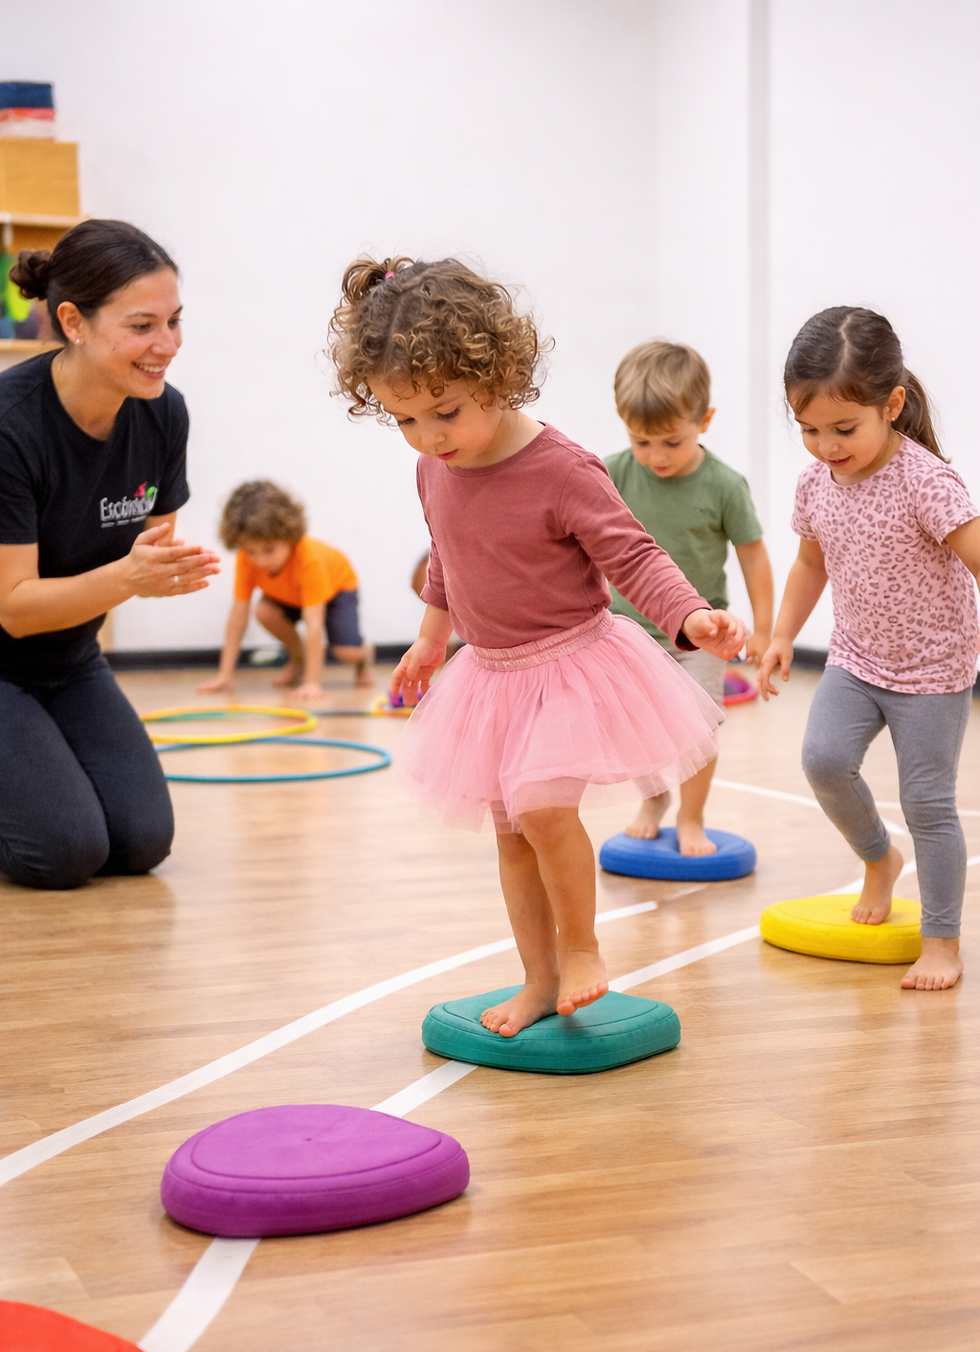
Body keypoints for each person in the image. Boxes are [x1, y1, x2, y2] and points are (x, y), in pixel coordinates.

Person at [330, 255, 745, 1036]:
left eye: (445, 411)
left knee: (542, 807)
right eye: (406, 419)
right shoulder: (435, 468)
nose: (427, 436)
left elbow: (634, 556)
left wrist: (691, 618)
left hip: (572, 665)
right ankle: (537, 977)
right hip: (490, 678)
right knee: (512, 833)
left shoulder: (563, 469)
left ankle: (584, 951)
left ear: (498, 375)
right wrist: (429, 640)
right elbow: (447, 556)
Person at [758, 306, 980, 991]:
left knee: (928, 803)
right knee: (823, 760)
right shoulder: (815, 483)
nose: (826, 446)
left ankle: (942, 940)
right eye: (809, 430)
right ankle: (879, 860)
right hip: (856, 659)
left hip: (934, 670)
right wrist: (781, 637)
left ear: (892, 404)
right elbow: (809, 566)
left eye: (843, 429)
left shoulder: (926, 483)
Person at [0, 219, 220, 890]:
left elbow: (148, 556)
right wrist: (131, 576)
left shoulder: (163, 414)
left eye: (175, 321)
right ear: (72, 321)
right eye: (143, 326)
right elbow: (14, 610)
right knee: (64, 853)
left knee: (141, 841)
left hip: (72, 661)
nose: (168, 346)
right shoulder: (12, 428)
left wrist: (151, 575)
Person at [605, 339, 773, 854]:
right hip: (627, 635)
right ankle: (652, 798)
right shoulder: (610, 474)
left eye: (671, 443)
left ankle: (692, 816)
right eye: (641, 441)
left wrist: (764, 629)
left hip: (699, 637)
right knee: (635, 732)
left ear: (705, 420)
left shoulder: (723, 485)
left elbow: (753, 555)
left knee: (698, 732)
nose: (656, 457)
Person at [197, 480, 373, 701]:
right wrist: (224, 674)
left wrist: (312, 684)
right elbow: (238, 614)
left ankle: (365, 654)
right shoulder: (247, 560)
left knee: (348, 654)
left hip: (337, 587)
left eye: (269, 550)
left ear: (289, 537)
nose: (260, 560)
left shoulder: (308, 560)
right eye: (251, 551)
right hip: (291, 595)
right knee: (264, 612)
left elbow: (314, 623)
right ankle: (297, 659)